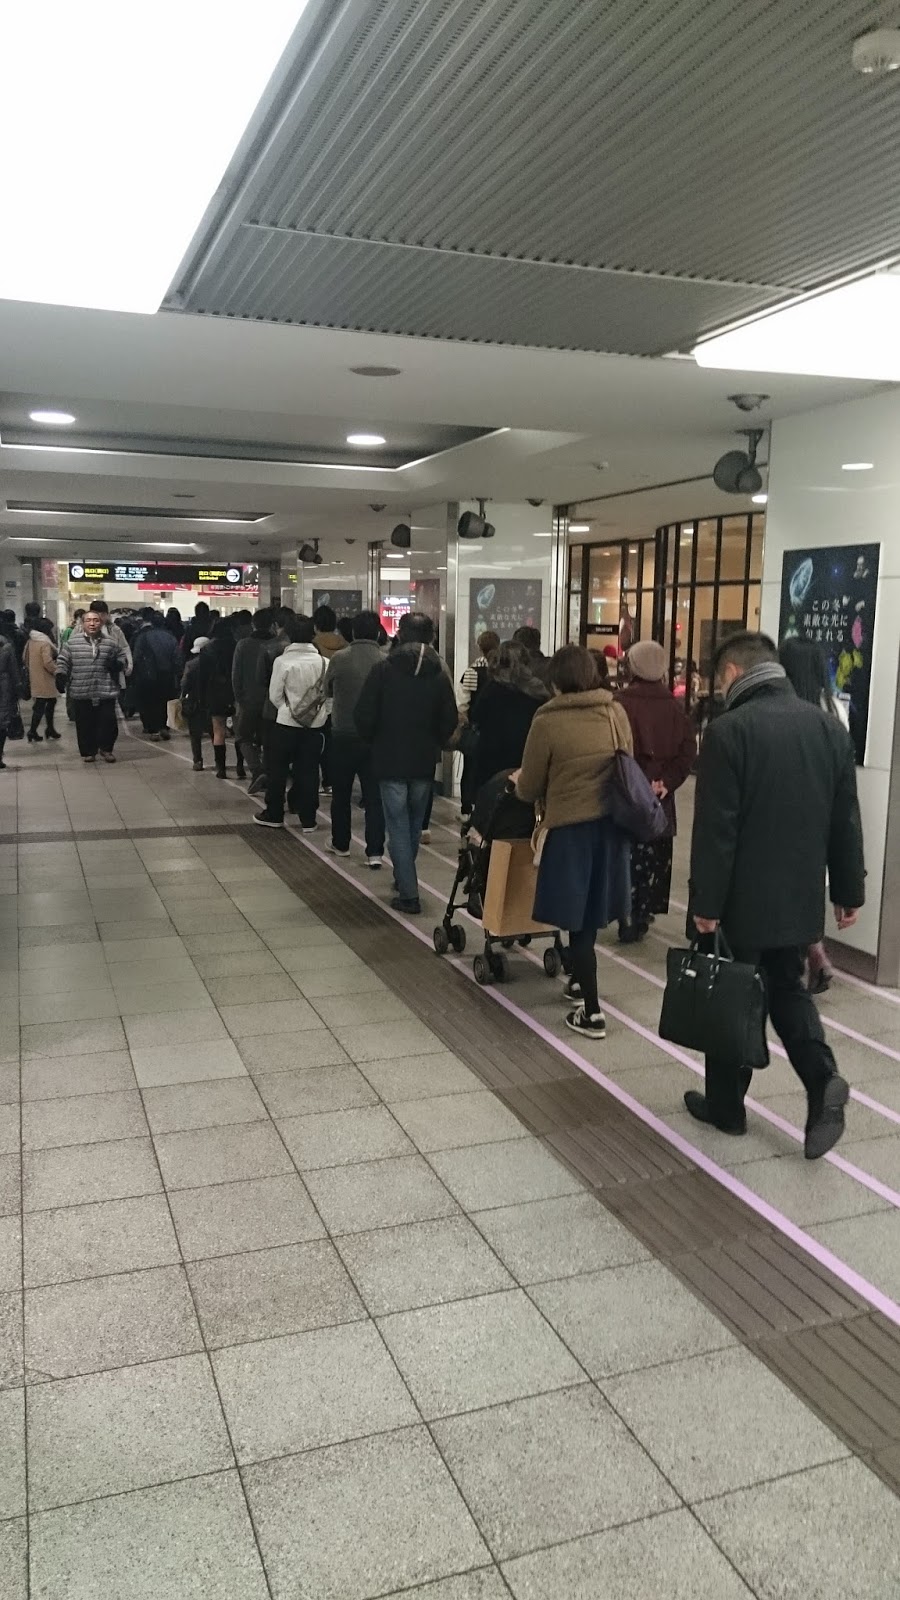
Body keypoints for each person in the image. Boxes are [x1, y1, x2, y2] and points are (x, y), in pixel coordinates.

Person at [687, 631, 865, 1159]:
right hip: (799, 895)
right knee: (787, 988)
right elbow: (844, 819)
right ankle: (822, 1079)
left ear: (733, 674)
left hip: (740, 900)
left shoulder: (728, 732)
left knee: (730, 992)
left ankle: (727, 1107)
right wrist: (848, 890)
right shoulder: (828, 729)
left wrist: (705, 905)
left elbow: (716, 830)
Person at [515, 644, 632, 1041]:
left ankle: (593, 1013)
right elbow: (627, 763)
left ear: (555, 681)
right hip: (611, 828)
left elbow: (529, 785)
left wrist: (522, 785)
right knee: (593, 914)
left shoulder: (547, 720)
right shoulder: (614, 712)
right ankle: (580, 981)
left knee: (577, 922)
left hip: (570, 831)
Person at [355, 612, 458, 913]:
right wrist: (435, 740)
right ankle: (404, 877)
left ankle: (409, 893)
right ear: (431, 638)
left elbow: (363, 714)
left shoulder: (383, 670)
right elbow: (449, 718)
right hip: (423, 762)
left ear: (400, 634)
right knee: (413, 825)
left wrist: (374, 740)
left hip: (390, 760)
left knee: (398, 825)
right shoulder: (439, 673)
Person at [779, 636, 853, 995]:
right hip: (822, 816)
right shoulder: (835, 709)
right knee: (809, 891)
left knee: (783, 890)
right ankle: (814, 952)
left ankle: (803, 956)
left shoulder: (781, 709)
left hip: (786, 812)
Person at [617, 638, 696, 942]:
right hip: (660, 798)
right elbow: (687, 751)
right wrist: (666, 781)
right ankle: (643, 911)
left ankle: (624, 912)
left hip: (626, 794)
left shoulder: (619, 703)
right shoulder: (675, 708)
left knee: (625, 854)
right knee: (653, 855)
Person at [253, 614, 329, 830]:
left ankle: (274, 814)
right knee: (309, 771)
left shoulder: (282, 661)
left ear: (288, 634)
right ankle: (308, 819)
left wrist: (289, 711)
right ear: (313, 634)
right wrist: (316, 715)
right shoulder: (325, 662)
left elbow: (275, 696)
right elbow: (328, 696)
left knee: (277, 770)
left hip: (286, 724)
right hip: (315, 726)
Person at [324, 609, 385, 866]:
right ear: (378, 632)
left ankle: (341, 843)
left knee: (341, 793)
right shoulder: (385, 661)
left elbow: (326, 689)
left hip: (343, 735)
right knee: (374, 796)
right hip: (375, 738)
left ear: (352, 632)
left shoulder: (339, 659)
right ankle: (375, 851)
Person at [469, 641, 548, 793]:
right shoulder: (536, 690)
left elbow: (476, 717)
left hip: (491, 759)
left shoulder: (491, 689)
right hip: (525, 756)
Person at [55, 609, 127, 763]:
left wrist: (118, 664)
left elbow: (122, 656)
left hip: (105, 689)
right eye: (88, 620)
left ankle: (106, 749)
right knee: (85, 724)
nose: (92, 624)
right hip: (82, 689)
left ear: (101, 623)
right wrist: (60, 675)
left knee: (108, 723)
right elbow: (62, 660)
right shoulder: (72, 643)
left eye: (96, 620)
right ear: (82, 623)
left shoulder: (110, 643)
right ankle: (88, 751)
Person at [248, 605, 294, 796]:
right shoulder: (310, 649)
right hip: (300, 708)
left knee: (273, 754)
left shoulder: (268, 648)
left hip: (273, 708)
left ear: (275, 625)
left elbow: (260, 679)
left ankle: (274, 797)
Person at [457, 629, 500, 815]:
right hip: (496, 731)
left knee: (470, 769)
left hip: (475, 730)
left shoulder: (471, 672)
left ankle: (467, 808)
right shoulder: (501, 672)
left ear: (479, 647)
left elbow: (462, 704)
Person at [232, 608, 276, 785]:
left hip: (248, 700)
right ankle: (269, 771)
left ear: (253, 624)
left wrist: (239, 699)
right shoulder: (277, 645)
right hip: (272, 701)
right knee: (269, 739)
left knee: (243, 736)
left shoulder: (243, 645)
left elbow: (236, 676)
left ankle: (257, 770)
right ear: (272, 625)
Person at [193, 618, 238, 779]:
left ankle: (221, 768)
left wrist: (201, 697)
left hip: (214, 693)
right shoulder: (236, 646)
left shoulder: (207, 649)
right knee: (238, 730)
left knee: (218, 731)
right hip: (234, 692)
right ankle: (240, 766)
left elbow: (202, 677)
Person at [131, 612, 179, 741]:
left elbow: (136, 657)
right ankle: (164, 726)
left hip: (148, 675)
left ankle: (153, 730)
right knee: (165, 701)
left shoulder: (143, 636)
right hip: (167, 675)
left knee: (150, 702)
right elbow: (177, 657)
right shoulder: (170, 637)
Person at [24, 620, 60, 742]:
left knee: (44, 703)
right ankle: (34, 730)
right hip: (46, 678)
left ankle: (49, 729)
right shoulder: (45, 643)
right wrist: (57, 670)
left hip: (35, 677)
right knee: (44, 704)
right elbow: (47, 662)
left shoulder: (30, 641)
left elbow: (25, 658)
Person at [180, 636, 211, 770]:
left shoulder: (190, 665)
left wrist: (182, 696)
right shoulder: (215, 663)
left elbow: (184, 684)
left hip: (194, 702)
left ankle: (197, 760)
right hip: (211, 702)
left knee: (195, 735)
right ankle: (220, 762)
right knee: (215, 732)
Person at [0, 619, 22, 769]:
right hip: (4, 687)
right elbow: (13, 669)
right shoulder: (6, 645)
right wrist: (18, 686)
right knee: (2, 721)